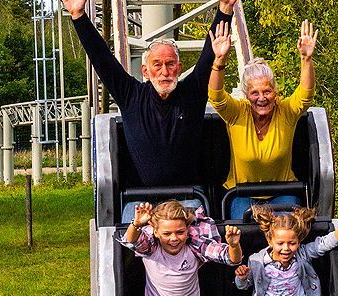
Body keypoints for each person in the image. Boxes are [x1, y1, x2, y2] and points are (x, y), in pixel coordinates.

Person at [63, 0, 237, 188]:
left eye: (170, 64)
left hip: (187, 200)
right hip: (140, 202)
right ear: (145, 71)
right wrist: (78, 16)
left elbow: (209, 55)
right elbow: (102, 58)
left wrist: (225, 10)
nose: (164, 72)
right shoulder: (131, 95)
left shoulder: (191, 94)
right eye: (157, 65)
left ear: (179, 69)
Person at [208, 20, 319, 218]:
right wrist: (219, 61)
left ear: (275, 92)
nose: (262, 98)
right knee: (242, 228)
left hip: (282, 193)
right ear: (246, 95)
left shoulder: (286, 111)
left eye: (267, 91)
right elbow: (216, 97)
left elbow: (306, 94)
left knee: (288, 228)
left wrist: (306, 59)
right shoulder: (237, 113)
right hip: (241, 193)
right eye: (255, 93)